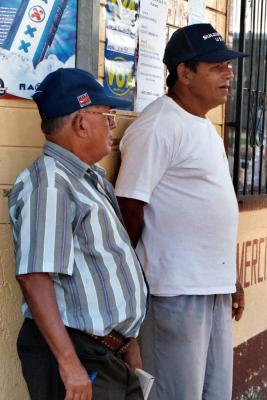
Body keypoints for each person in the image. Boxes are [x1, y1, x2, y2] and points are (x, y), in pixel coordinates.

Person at [115, 23, 246, 400]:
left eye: (229, 65)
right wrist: (132, 287)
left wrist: (230, 275)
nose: (228, 73)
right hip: (173, 290)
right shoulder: (158, 125)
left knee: (214, 393)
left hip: (211, 287)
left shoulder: (203, 127)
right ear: (184, 73)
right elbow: (129, 206)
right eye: (216, 66)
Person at [8, 67, 148, 400]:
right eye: (107, 116)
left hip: (108, 352)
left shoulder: (92, 178)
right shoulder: (50, 185)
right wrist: (69, 364)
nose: (112, 125)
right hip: (77, 354)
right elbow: (34, 277)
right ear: (81, 122)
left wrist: (127, 343)